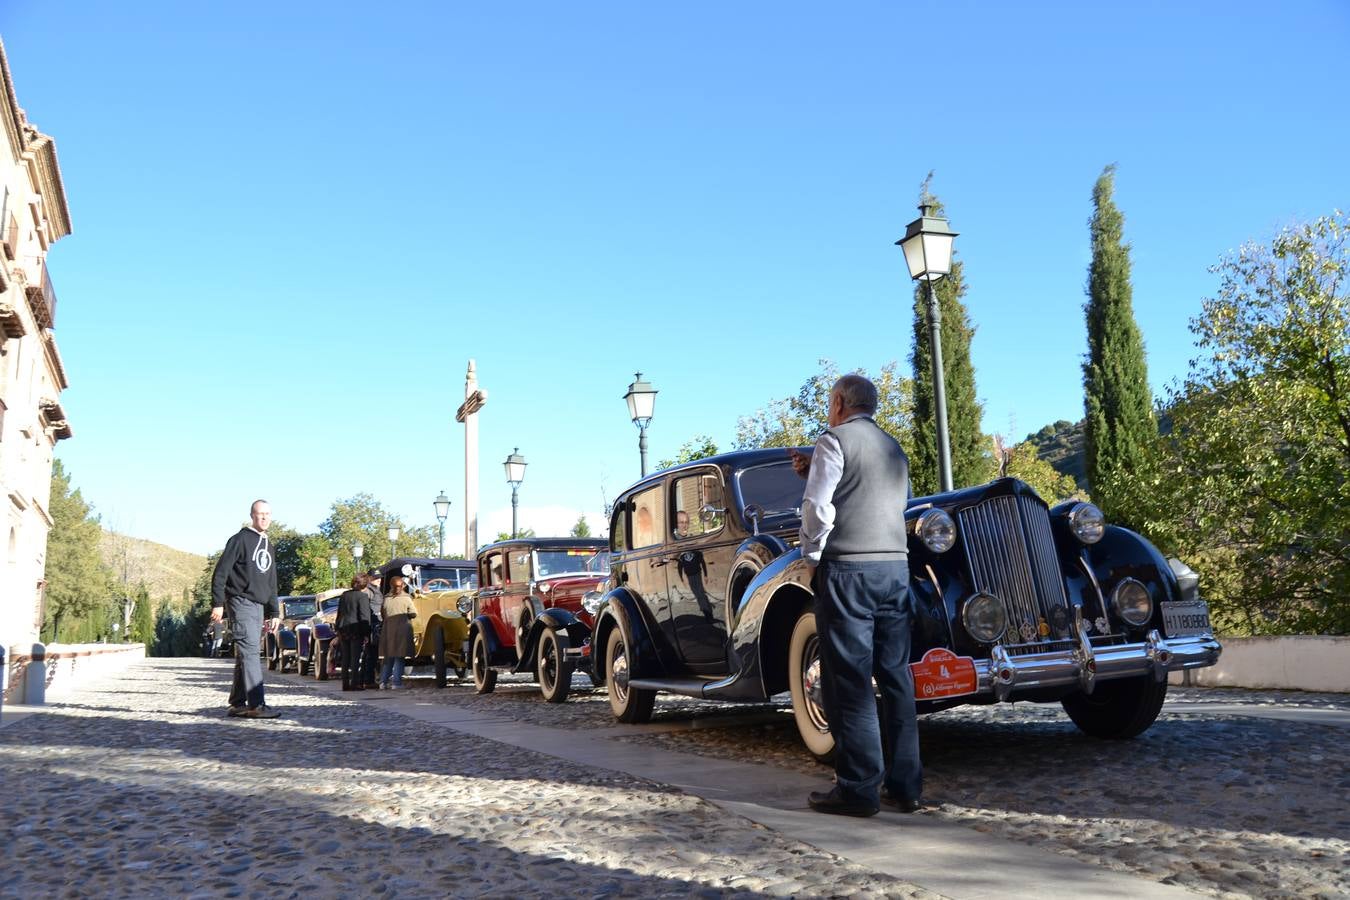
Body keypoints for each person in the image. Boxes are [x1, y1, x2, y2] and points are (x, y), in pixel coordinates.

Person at [790, 374, 922, 817]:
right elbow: (892, 501)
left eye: (831, 402)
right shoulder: (893, 447)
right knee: (896, 676)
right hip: (895, 570)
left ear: (841, 401)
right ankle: (906, 787)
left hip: (849, 571)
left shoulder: (834, 441)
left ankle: (858, 788)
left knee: (850, 683)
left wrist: (811, 555)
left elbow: (819, 506)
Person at [210, 499, 282, 719]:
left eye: (268, 514)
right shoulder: (240, 540)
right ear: (252, 515)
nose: (264, 518)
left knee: (246, 654)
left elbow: (271, 581)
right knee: (250, 651)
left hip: (258, 605)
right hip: (241, 602)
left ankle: (238, 702)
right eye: (260, 514)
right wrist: (218, 604)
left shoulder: (268, 544)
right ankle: (257, 705)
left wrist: (275, 611)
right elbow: (220, 573)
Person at [378, 574, 417, 690]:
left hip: (388, 630)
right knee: (399, 657)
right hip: (402, 630)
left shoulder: (386, 598)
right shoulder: (406, 598)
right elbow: (414, 613)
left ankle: (383, 682)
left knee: (388, 657)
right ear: (403, 585)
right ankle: (396, 682)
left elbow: (383, 614)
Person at [336, 573, 373, 691]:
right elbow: (364, 617)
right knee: (355, 657)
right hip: (356, 629)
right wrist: (367, 633)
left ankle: (345, 683)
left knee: (345, 657)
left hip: (343, 628)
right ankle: (355, 683)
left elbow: (339, 613)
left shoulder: (344, 595)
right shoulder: (362, 597)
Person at [360, 567, 384, 689]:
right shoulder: (368, 591)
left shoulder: (375, 590)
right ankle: (368, 680)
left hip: (376, 624)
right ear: (369, 579)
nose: (378, 580)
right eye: (375, 578)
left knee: (369, 654)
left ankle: (365, 678)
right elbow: (365, 609)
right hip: (372, 625)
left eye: (379, 578)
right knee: (371, 654)